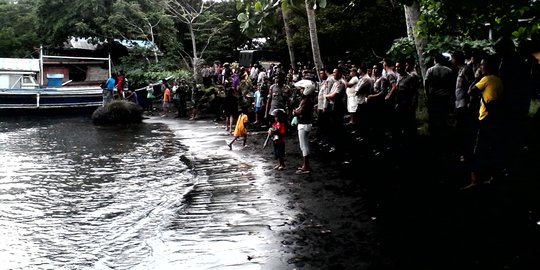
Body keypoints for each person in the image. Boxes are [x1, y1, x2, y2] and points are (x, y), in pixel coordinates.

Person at [462, 55, 504, 190]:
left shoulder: (486, 79)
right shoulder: (499, 80)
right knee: (493, 148)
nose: (480, 67)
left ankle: (475, 181)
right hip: (496, 119)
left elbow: (470, 91)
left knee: (479, 149)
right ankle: (494, 177)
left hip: (485, 118)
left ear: (487, 67)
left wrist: (478, 76)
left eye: (482, 65)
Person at [293, 79, 315, 174]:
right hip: (306, 124)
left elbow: (300, 111)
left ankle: (306, 166)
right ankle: (305, 165)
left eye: (302, 89)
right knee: (305, 145)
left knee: (304, 146)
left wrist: (295, 112)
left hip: (304, 124)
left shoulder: (306, 100)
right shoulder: (307, 99)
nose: (301, 90)